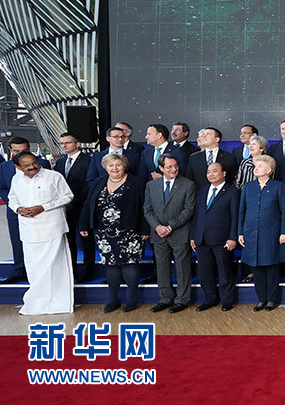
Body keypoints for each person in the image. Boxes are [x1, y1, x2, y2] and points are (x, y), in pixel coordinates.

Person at [79, 154, 149, 313]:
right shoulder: (98, 182)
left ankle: (132, 299)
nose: (115, 168)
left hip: (130, 231)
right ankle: (113, 299)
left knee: (130, 264)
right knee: (111, 265)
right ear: (105, 167)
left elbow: (145, 206)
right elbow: (88, 205)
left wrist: (145, 228)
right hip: (104, 232)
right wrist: (83, 224)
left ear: (125, 166)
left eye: (118, 164)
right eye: (111, 165)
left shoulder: (136, 183)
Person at [8, 152, 74, 315]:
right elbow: (12, 199)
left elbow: (68, 196)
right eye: (26, 165)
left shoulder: (53, 176)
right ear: (18, 167)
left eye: (34, 163)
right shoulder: (16, 179)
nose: (32, 167)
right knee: (34, 268)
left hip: (53, 228)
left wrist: (43, 207)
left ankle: (60, 304)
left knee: (55, 267)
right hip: (29, 231)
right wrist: (18, 209)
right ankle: (37, 303)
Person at [143, 154, 196, 313]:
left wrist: (170, 226)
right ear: (161, 168)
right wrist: (157, 227)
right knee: (162, 268)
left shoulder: (188, 184)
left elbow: (189, 209)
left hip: (179, 233)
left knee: (183, 268)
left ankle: (182, 300)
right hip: (158, 234)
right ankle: (165, 299)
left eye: (175, 166)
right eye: (169, 167)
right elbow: (147, 209)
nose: (174, 169)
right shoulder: (151, 185)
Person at [238, 155, 285, 312]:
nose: (256, 168)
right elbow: (242, 211)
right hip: (251, 233)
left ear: (269, 170)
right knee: (256, 267)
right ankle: (261, 299)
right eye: (256, 166)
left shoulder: (278, 186)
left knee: (272, 267)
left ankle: (271, 300)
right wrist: (240, 232)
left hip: (272, 233)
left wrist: (284, 232)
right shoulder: (248, 187)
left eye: (260, 166)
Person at [0, 137, 51, 284]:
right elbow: (3, 188)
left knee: (40, 241)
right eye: (16, 151)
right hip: (15, 211)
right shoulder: (5, 167)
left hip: (38, 211)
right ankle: (19, 271)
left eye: (24, 151)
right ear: (10, 150)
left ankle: (41, 271)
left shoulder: (42, 164)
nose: (20, 154)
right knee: (17, 241)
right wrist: (16, 206)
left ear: (29, 149)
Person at [190, 162, 239, 312]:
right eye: (208, 172)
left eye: (214, 171)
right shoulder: (202, 191)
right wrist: (193, 236)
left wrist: (232, 237)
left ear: (224, 173)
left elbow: (235, 217)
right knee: (205, 273)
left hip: (222, 239)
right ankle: (210, 299)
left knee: (225, 272)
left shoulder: (232, 192)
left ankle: (227, 300)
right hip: (202, 238)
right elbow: (197, 215)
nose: (210, 174)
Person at [53, 132, 93, 282]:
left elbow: (89, 184)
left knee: (87, 242)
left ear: (77, 144)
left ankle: (88, 273)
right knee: (69, 242)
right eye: (62, 143)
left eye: (68, 143)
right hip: (64, 208)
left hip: (82, 206)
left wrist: (73, 202)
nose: (64, 146)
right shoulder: (60, 163)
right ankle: (72, 273)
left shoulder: (88, 160)